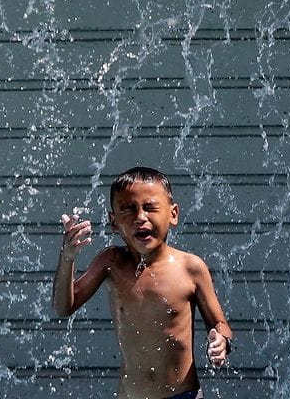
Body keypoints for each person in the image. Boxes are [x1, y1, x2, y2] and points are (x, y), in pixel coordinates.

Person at [52, 166, 233, 399]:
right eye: (128, 209)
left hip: (183, 395)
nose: (140, 217)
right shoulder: (112, 262)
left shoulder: (190, 268)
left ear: (173, 214)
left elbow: (220, 323)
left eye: (150, 207)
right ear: (114, 222)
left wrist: (221, 340)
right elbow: (64, 307)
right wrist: (67, 258)